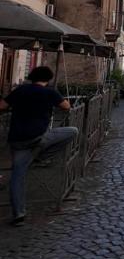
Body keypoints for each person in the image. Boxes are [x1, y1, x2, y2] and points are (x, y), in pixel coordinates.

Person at [0, 66, 78, 226]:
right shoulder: (49, 92)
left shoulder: (20, 90)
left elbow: (2, 105)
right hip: (38, 138)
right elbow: (66, 106)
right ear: (48, 78)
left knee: (17, 176)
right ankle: (43, 157)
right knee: (72, 131)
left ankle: (19, 214)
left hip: (17, 139)